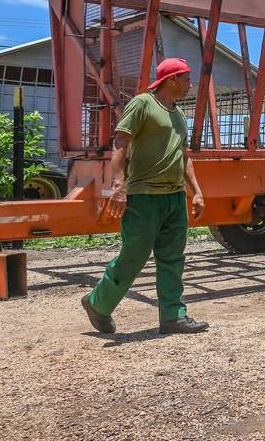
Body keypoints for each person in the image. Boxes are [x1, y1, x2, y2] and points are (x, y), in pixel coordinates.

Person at [81, 58, 209, 335]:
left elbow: (183, 156)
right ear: (173, 79)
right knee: (134, 256)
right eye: (187, 78)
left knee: (173, 257)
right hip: (144, 197)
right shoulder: (142, 104)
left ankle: (173, 316)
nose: (190, 84)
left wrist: (196, 192)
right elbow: (121, 142)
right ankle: (98, 303)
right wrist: (119, 185)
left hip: (174, 197)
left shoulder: (179, 114)